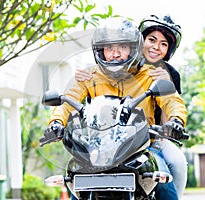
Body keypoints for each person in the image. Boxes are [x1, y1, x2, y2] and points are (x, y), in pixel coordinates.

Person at [46, 18, 186, 200]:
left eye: (122, 47)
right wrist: (56, 122)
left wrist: (176, 120)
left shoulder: (149, 76)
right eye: (109, 48)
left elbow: (171, 100)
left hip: (142, 147)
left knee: (162, 180)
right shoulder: (89, 76)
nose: (115, 53)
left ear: (133, 48)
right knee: (76, 181)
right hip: (96, 149)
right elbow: (68, 101)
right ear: (100, 50)